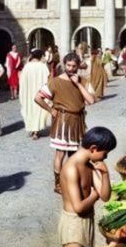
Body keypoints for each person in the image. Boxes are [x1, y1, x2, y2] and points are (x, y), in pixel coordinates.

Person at [35, 53, 95, 193]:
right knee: (60, 153)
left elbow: (91, 100)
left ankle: (72, 180)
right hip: (63, 121)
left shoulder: (83, 81)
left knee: (74, 154)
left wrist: (78, 84)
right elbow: (38, 98)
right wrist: (50, 110)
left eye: (74, 66)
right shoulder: (55, 81)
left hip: (78, 121)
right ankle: (58, 184)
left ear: (78, 66)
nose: (71, 69)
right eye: (68, 65)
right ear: (64, 64)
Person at [19, 48, 50, 140]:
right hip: (40, 93)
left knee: (30, 109)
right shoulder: (43, 66)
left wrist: (24, 91)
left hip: (29, 93)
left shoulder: (27, 66)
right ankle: (36, 131)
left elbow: (22, 81)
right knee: (38, 109)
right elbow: (48, 80)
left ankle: (34, 130)